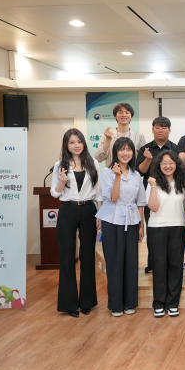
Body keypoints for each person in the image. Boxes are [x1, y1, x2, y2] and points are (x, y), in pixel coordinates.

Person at [51, 128, 103, 318]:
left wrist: (100, 215)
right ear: (66, 145)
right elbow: (54, 193)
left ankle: (87, 302)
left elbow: (98, 191)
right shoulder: (60, 165)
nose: (76, 145)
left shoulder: (93, 163)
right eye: (72, 142)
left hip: (89, 209)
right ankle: (69, 304)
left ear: (84, 143)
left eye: (79, 141)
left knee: (87, 256)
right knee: (67, 257)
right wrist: (61, 181)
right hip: (68, 210)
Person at [96, 137, 146, 317]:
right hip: (112, 221)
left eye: (129, 149)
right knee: (114, 263)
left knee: (131, 263)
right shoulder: (106, 172)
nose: (125, 153)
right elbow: (114, 197)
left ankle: (130, 302)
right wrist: (117, 176)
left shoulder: (136, 175)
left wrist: (141, 226)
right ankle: (116, 304)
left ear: (133, 152)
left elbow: (140, 202)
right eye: (121, 149)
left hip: (132, 221)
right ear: (115, 152)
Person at [147, 150, 185, 318]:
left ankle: (172, 303)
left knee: (176, 266)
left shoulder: (182, 183)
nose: (167, 166)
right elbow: (153, 207)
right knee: (159, 266)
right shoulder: (153, 182)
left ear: (176, 165)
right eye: (164, 163)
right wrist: (153, 187)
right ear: (159, 165)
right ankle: (159, 303)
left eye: (171, 163)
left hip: (178, 227)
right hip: (157, 227)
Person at [135, 116, 178, 274]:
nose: (160, 130)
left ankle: (171, 264)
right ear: (152, 129)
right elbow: (140, 172)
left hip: (172, 195)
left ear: (169, 130)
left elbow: (180, 170)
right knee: (152, 229)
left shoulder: (175, 148)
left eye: (164, 127)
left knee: (172, 231)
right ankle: (153, 263)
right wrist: (147, 159)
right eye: (157, 127)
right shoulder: (145, 149)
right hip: (151, 194)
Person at [94, 102, 146, 167]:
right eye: (120, 112)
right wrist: (108, 140)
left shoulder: (139, 136)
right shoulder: (107, 135)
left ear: (131, 116)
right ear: (115, 116)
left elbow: (143, 160)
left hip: (131, 172)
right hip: (111, 172)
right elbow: (98, 158)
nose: (124, 115)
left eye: (127, 112)